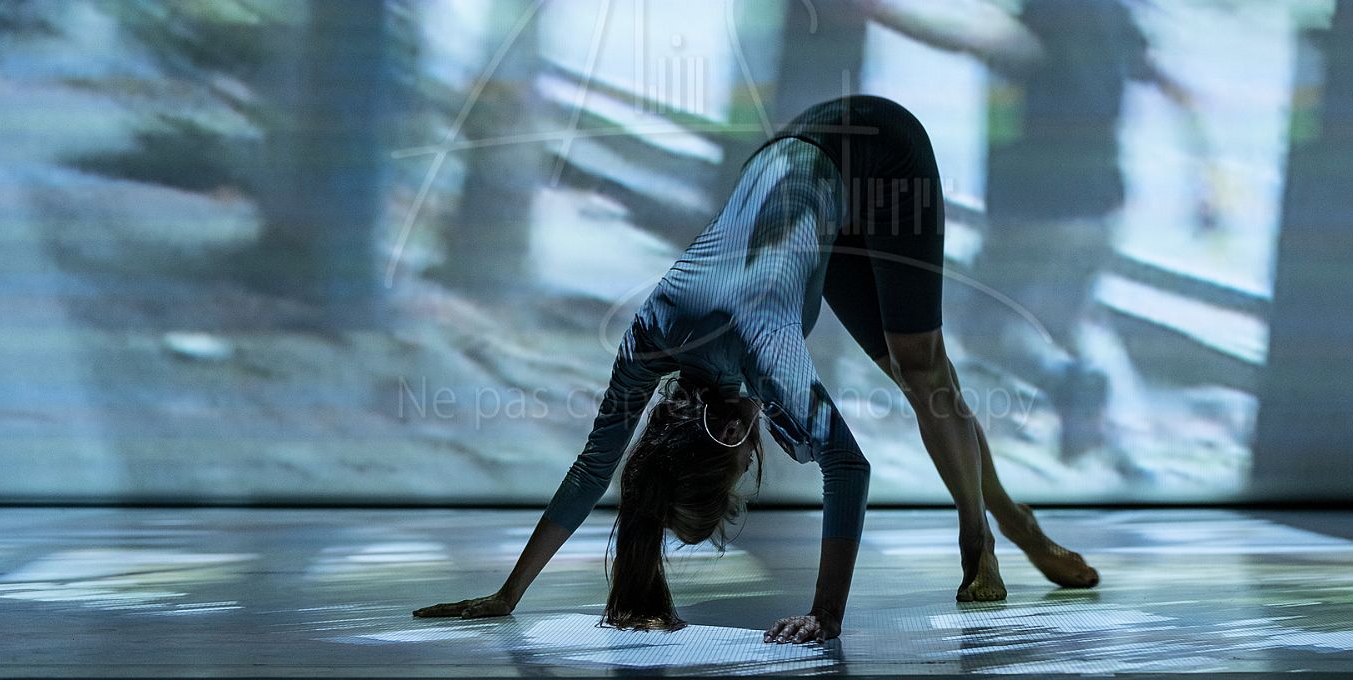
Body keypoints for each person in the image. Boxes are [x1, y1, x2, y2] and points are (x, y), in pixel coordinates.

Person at [414, 95, 1098, 644]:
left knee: (922, 370)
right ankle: (1016, 521)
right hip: (801, 173)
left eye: (739, 478)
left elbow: (850, 467)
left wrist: (826, 615)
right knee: (917, 380)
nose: (752, 470)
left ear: (730, 445)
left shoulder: (763, 346)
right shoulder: (652, 336)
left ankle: (984, 536)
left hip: (880, 149)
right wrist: (508, 595)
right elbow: (595, 469)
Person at [815, 0, 1219, 468]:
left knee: (986, 328)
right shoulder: (1111, 4)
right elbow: (1179, 91)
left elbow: (967, 36)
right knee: (1077, 320)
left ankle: (1070, 388)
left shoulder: (1038, 2)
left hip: (1035, 202)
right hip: (1104, 202)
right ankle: (1129, 456)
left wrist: (872, 6)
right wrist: (1209, 189)